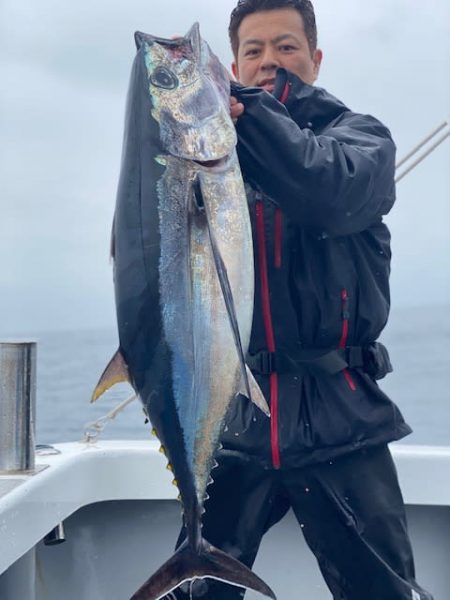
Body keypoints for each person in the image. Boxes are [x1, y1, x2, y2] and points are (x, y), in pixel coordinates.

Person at [171, 1, 434, 598]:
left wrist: (251, 118)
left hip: (340, 415)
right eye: (253, 51)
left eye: (286, 47)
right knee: (193, 590)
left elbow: (327, 191)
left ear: (315, 58)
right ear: (231, 66)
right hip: (238, 415)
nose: (270, 62)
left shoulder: (361, 139)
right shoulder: (210, 155)